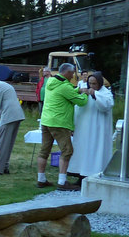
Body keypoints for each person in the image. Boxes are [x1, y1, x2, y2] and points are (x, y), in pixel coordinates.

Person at [36, 63, 88, 191]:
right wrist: (85, 93)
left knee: (44, 150)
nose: (73, 76)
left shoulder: (51, 81)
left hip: (46, 120)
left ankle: (41, 179)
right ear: (67, 73)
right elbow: (81, 102)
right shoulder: (65, 87)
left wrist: (77, 90)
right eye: (72, 73)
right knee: (67, 150)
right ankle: (62, 182)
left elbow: (66, 92)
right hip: (59, 123)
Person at [67, 72, 114, 183]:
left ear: (100, 83)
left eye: (95, 83)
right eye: (90, 83)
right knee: (82, 151)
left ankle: (94, 175)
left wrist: (95, 95)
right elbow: (77, 108)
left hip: (98, 130)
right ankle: (80, 175)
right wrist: (72, 126)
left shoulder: (105, 93)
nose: (92, 86)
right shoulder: (84, 92)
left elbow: (106, 105)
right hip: (84, 129)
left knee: (95, 152)